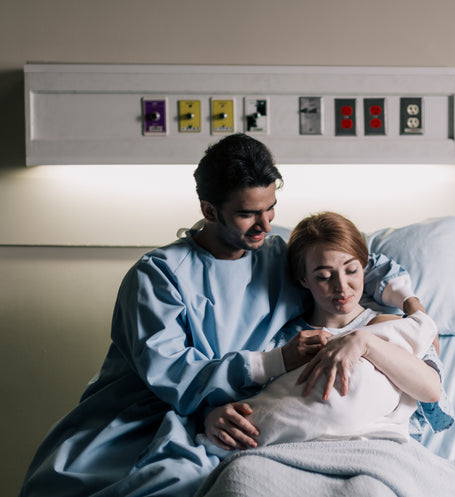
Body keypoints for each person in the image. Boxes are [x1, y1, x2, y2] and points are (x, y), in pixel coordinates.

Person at [18, 134, 427, 497]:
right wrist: (267, 367)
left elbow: (354, 259)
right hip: (151, 414)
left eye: (272, 208)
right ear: (210, 211)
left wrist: (414, 309)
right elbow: (171, 377)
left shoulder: (276, 249)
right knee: (171, 480)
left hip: (242, 412)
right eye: (249, 214)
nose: (265, 224)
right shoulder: (158, 277)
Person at [198, 212, 451, 455]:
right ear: (304, 280)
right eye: (324, 276)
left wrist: (364, 341)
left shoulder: (387, 324)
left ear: (364, 267)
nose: (341, 286)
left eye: (351, 270)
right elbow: (257, 404)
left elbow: (431, 390)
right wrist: (214, 418)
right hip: (292, 452)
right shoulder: (286, 341)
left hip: (376, 450)